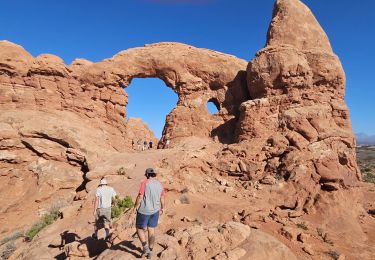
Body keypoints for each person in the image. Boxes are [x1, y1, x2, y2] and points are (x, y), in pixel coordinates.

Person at [134, 168, 165, 259]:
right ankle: (150, 251)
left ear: (147, 175)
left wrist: (136, 206)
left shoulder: (145, 182)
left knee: (139, 228)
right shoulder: (160, 184)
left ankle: (145, 248)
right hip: (155, 210)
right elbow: (162, 197)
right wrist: (162, 208)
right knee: (151, 230)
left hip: (144, 210)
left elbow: (140, 196)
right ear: (154, 175)